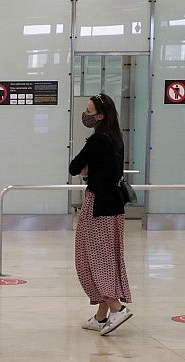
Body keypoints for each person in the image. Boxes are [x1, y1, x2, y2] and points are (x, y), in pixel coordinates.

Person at [69, 93, 132, 336]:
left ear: (101, 116)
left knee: (93, 259)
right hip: (115, 205)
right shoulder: (117, 139)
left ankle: (117, 308)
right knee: (109, 257)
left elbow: (74, 166)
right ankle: (100, 317)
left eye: (90, 111)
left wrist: (87, 169)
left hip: (98, 206)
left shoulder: (97, 141)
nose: (86, 116)